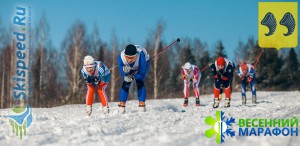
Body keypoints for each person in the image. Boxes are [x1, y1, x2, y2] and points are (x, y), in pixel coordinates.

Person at [118, 44, 151, 114]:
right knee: (126, 82)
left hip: (144, 64)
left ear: (136, 55)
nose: (130, 60)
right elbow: (122, 73)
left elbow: (141, 73)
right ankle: (122, 104)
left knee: (139, 81)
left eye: (132, 58)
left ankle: (142, 104)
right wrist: (126, 74)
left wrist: (133, 77)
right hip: (130, 67)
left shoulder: (141, 57)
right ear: (124, 55)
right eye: (128, 57)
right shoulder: (121, 58)